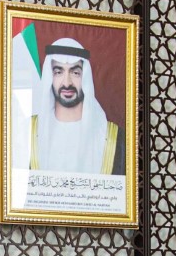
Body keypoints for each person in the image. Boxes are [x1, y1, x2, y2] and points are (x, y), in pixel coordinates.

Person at [28, 38, 124, 175]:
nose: (67, 83)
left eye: (75, 73)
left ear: (85, 77)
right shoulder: (27, 133)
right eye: (58, 72)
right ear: (50, 77)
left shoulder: (115, 138)